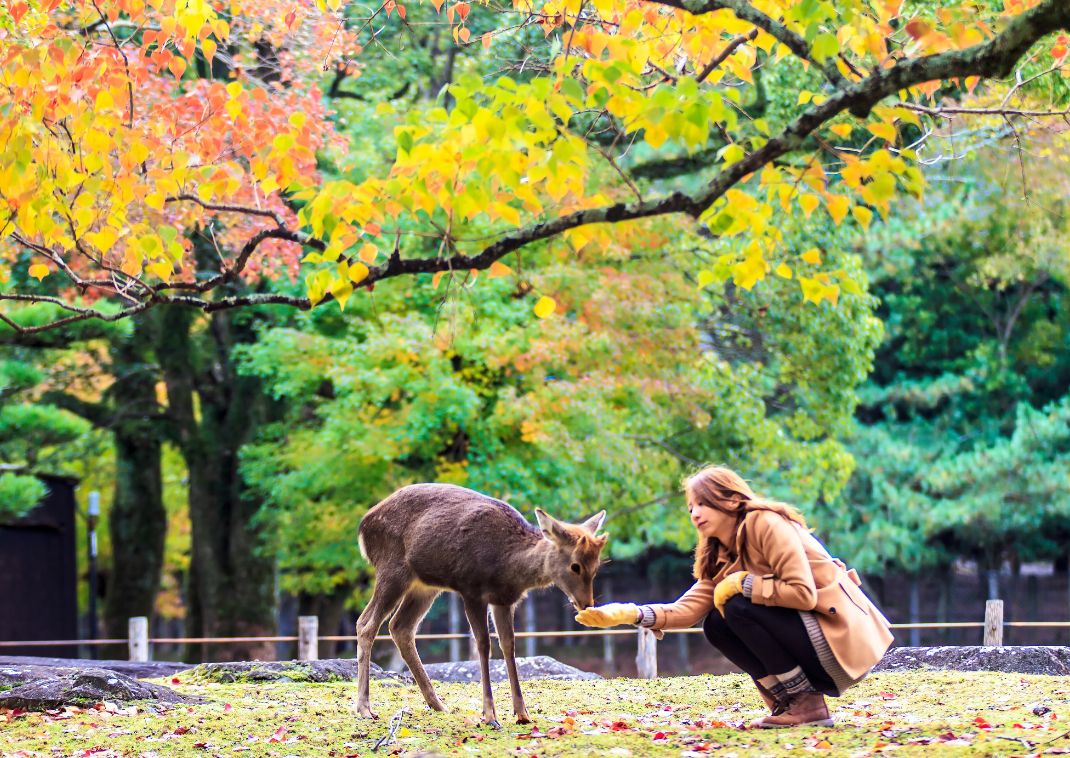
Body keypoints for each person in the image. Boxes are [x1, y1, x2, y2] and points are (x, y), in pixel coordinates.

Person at [576, 465, 893, 727]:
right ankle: (789, 702)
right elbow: (687, 610)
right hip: (814, 645)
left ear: (728, 499)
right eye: (690, 508)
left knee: (737, 606)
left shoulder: (766, 523)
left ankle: (808, 705)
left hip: (840, 642)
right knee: (715, 623)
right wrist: (629, 613)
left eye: (703, 503)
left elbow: (803, 594)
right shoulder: (718, 553)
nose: (695, 514)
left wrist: (745, 583)